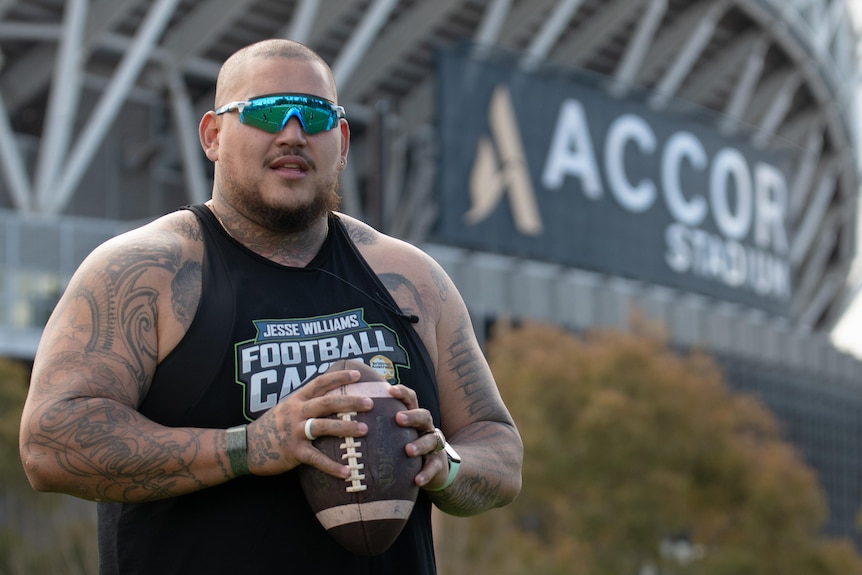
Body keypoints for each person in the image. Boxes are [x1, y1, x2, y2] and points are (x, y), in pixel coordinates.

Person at [18, 38, 523, 574]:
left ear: (343, 140)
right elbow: (50, 443)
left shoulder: (411, 279)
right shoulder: (145, 272)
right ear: (213, 135)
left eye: (315, 115)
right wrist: (250, 447)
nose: (292, 133)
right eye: (264, 112)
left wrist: (442, 464)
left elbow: (500, 449)